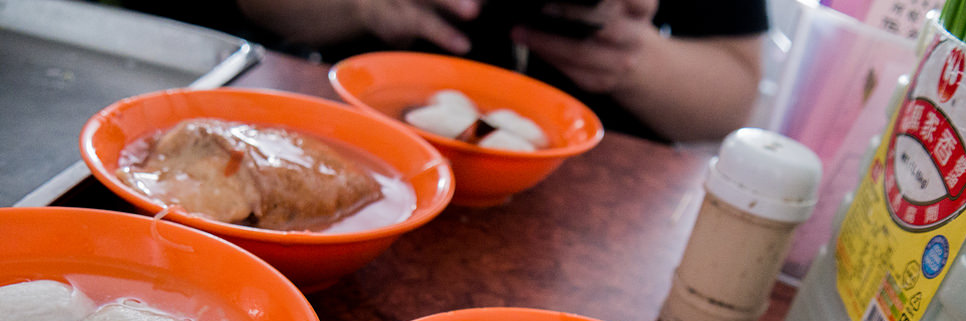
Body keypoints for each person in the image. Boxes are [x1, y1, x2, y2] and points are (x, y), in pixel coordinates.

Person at [234, 0, 769, 143]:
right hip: (354, 135)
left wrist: (634, 59)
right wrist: (363, 4)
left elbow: (734, 94)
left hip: (581, 210)